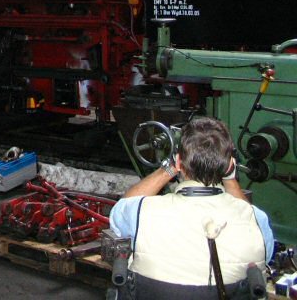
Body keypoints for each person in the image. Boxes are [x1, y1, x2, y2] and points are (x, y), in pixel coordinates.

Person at [109, 117, 274, 299]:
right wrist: (230, 178)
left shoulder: (141, 211)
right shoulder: (257, 220)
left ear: (179, 162)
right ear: (229, 165)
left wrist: (170, 168)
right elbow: (264, 256)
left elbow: (120, 211)